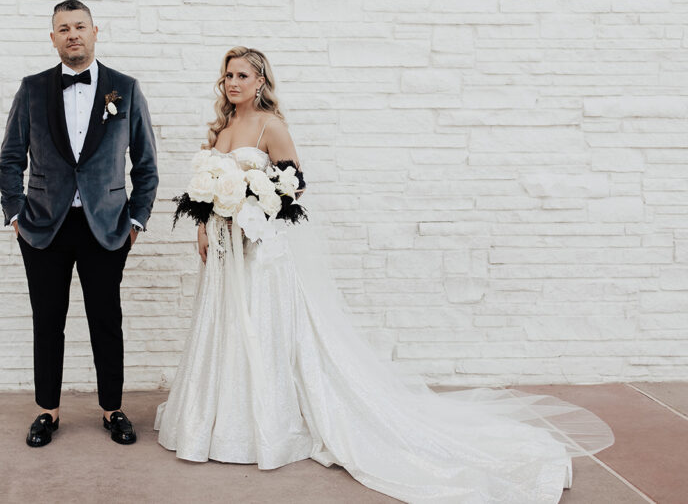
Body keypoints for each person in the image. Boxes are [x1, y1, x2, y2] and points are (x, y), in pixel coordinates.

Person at [155, 47, 613, 503]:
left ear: (260, 82)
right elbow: (207, 189)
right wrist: (202, 226)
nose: (232, 83)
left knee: (261, 327)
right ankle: (220, 418)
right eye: (227, 76)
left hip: (261, 252)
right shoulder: (223, 127)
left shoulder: (271, 126)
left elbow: (294, 185)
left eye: (241, 76)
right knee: (228, 327)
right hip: (222, 247)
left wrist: (256, 206)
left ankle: (266, 423)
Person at [0, 0, 158, 448]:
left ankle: (113, 408)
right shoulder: (31, 89)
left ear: (95, 32)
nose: (72, 34)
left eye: (80, 26)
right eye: (63, 28)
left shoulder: (124, 89)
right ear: (53, 38)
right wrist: (15, 214)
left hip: (106, 227)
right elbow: (10, 159)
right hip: (43, 227)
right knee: (48, 320)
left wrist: (137, 220)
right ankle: (47, 410)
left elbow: (145, 164)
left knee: (106, 318)